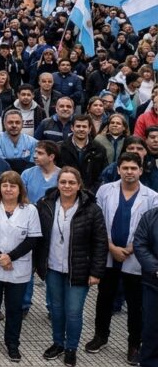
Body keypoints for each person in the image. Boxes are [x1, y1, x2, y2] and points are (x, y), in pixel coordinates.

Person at [87, 153, 158, 365]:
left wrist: (129, 249)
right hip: (109, 253)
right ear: (118, 169)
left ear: (140, 170)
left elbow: (149, 230)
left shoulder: (152, 196)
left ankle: (134, 344)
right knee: (104, 298)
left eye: (133, 168)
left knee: (136, 305)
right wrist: (110, 247)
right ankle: (101, 336)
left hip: (134, 257)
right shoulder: (105, 190)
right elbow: (98, 221)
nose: (129, 172)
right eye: (125, 168)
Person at [34, 166, 107, 367]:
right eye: (63, 182)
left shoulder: (92, 209)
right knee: (57, 310)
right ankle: (58, 343)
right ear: (57, 184)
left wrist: (96, 271)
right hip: (53, 267)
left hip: (80, 269)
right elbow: (37, 236)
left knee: (73, 312)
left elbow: (100, 242)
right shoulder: (46, 204)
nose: (67, 186)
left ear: (79, 185)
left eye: (71, 182)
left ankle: (71, 348)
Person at [0, 171, 42, 363]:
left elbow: (32, 240)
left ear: (20, 189)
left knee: (14, 309)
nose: (8, 189)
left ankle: (12, 344)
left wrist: (10, 257)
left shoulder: (30, 210)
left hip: (17, 267)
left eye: (13, 186)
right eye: (5, 185)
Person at [132, 204, 158, 367]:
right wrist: (155, 269)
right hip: (154, 286)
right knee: (151, 332)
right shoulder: (150, 217)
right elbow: (140, 244)